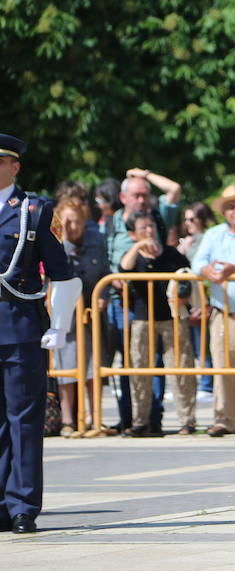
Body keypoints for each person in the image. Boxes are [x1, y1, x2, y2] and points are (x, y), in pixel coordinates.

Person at [0, 134, 81, 533]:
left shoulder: (34, 210)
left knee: (25, 420)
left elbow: (63, 274)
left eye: (0, 162)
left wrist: (59, 325)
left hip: (20, 324)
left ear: (15, 167)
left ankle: (22, 505)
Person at [119, 211, 197, 436]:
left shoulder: (172, 254)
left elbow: (187, 278)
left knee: (181, 368)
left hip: (173, 317)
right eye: (143, 228)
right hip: (143, 318)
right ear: (133, 233)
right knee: (139, 370)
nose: (149, 231)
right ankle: (140, 421)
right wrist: (138, 246)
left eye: (151, 226)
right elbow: (123, 269)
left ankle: (187, 420)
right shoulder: (133, 255)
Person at [192, 185, 235, 436]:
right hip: (223, 313)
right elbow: (197, 262)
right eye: (231, 207)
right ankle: (224, 419)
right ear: (223, 211)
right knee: (222, 369)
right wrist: (206, 271)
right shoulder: (213, 235)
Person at [106, 174, 171, 433]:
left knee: (152, 361)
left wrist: (145, 175)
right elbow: (105, 254)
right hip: (119, 302)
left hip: (148, 301)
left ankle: (152, 418)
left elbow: (174, 189)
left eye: (145, 195)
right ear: (123, 198)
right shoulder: (111, 222)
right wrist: (110, 281)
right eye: (136, 195)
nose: (142, 200)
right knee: (128, 362)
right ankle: (129, 418)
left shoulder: (157, 217)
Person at [52, 199, 111, 436]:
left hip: (92, 312)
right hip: (65, 313)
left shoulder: (96, 239)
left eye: (77, 221)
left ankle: (95, 418)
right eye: (68, 222)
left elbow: (105, 271)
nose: (73, 227)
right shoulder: (55, 241)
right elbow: (55, 271)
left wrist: (103, 295)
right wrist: (64, 238)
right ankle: (68, 420)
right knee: (67, 367)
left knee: (93, 367)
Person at [178, 201, 215, 395]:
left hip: (205, 297)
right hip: (189, 298)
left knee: (204, 343)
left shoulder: (207, 238)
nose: (188, 223)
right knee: (194, 343)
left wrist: (205, 302)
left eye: (191, 219)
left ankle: (207, 384)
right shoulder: (188, 240)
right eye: (185, 219)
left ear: (201, 219)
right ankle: (203, 383)